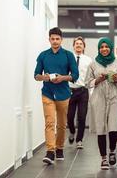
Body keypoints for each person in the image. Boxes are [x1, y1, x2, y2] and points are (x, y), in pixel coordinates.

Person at [34, 27, 79, 164]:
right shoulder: (43, 55)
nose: (55, 41)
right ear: (49, 39)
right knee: (49, 122)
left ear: (61, 40)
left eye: (57, 39)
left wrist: (63, 78)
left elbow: (75, 75)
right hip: (47, 93)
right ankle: (50, 152)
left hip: (64, 94)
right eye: (52, 39)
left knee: (61, 124)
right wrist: (45, 77)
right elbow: (36, 75)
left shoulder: (68, 55)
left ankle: (59, 148)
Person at [85, 37, 117, 170]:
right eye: (101, 47)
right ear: (99, 48)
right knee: (100, 127)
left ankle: (112, 153)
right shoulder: (93, 64)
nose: (104, 49)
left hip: (115, 97)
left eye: (106, 47)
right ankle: (103, 158)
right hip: (99, 97)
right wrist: (97, 80)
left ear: (110, 47)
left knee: (113, 126)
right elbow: (87, 83)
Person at [67, 36, 92, 149]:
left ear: (83, 46)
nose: (78, 45)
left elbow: (91, 76)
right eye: (76, 43)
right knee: (69, 116)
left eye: (80, 44)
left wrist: (90, 92)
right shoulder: (68, 58)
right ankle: (72, 131)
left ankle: (79, 140)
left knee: (82, 117)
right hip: (70, 90)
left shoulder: (88, 60)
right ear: (73, 46)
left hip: (83, 91)